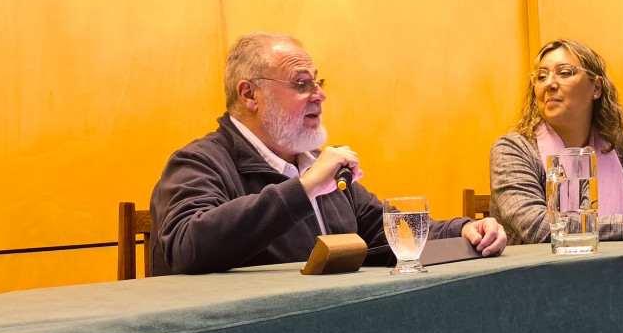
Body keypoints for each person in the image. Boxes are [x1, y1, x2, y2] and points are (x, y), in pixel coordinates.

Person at [150, 32, 506, 275]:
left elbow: (386, 233)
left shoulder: (320, 165)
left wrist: (467, 230)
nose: (319, 95)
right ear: (249, 95)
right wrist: (304, 189)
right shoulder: (198, 162)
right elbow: (184, 248)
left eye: (319, 83)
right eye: (301, 84)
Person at [489, 39, 623, 244]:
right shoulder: (513, 150)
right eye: (541, 76)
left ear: (596, 88)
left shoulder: (618, 147)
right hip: (539, 279)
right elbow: (536, 227)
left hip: (619, 272)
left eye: (564, 73)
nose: (550, 84)